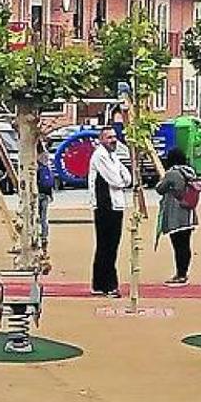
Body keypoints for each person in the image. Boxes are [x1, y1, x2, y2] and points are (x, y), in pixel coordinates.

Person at [88, 126, 132, 297]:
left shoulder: (113, 156)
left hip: (117, 205)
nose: (113, 140)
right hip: (104, 206)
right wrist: (122, 181)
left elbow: (126, 177)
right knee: (106, 246)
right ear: (101, 140)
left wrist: (123, 180)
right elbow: (115, 180)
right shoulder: (100, 156)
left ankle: (100, 284)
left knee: (112, 246)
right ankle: (108, 285)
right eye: (109, 137)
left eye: (114, 137)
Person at [154, 147, 199, 287]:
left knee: (178, 245)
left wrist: (163, 179)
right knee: (186, 245)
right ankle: (183, 273)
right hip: (189, 214)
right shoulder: (189, 172)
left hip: (176, 214)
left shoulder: (172, 173)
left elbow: (160, 189)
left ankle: (180, 274)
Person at [36, 148, 55, 250]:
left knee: (36, 217)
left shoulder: (36, 167)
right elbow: (51, 182)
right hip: (46, 194)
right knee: (44, 217)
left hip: (38, 194)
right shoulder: (47, 167)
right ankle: (44, 236)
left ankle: (37, 236)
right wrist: (51, 195)